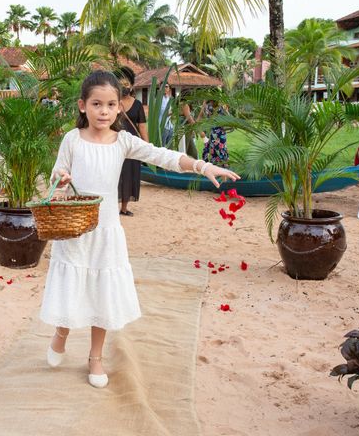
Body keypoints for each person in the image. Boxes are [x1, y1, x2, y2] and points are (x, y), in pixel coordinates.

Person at [41, 71, 240, 389]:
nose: (104, 111)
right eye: (96, 104)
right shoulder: (72, 140)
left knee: (102, 293)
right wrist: (61, 178)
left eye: (110, 104)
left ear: (119, 107)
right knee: (72, 284)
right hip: (76, 229)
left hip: (107, 230)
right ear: (82, 106)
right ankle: (61, 332)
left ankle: (95, 357)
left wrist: (203, 166)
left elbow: (162, 156)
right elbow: (56, 174)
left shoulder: (123, 141)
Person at [115, 67, 148, 217]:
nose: (125, 86)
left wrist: (147, 147)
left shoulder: (138, 105)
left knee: (129, 174)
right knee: (115, 174)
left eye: (127, 83)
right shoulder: (113, 104)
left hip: (133, 146)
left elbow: (142, 126)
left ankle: (124, 207)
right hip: (115, 144)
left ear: (132, 85)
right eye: (121, 83)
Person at [200, 101, 230, 167]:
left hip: (220, 133)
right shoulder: (207, 105)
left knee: (221, 149)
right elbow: (201, 117)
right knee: (209, 149)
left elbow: (229, 119)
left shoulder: (222, 105)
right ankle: (212, 166)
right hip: (210, 132)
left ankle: (224, 167)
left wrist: (226, 110)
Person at [158, 83, 174, 147]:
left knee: (170, 148)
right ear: (160, 88)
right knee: (163, 147)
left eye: (166, 87)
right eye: (163, 87)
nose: (165, 88)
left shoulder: (168, 99)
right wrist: (175, 111)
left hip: (170, 126)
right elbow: (165, 114)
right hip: (162, 126)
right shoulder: (159, 99)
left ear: (169, 89)